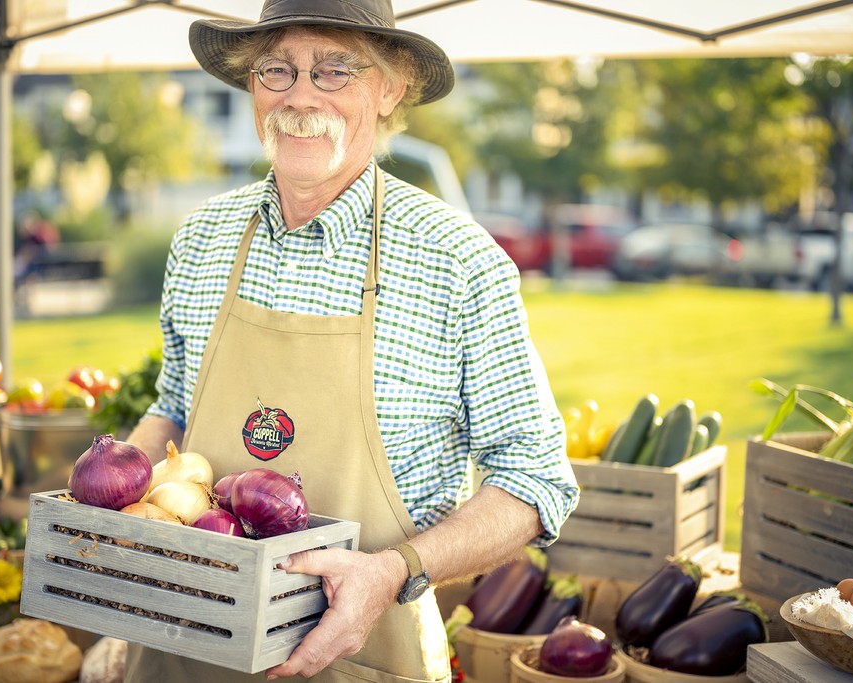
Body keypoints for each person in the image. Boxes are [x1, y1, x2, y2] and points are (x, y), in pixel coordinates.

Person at [124, 1, 580, 681]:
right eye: (277, 69)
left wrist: (394, 568)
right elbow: (175, 409)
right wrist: (113, 496)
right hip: (184, 640)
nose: (300, 95)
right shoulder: (201, 239)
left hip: (368, 655)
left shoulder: (458, 263)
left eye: (335, 69)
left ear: (391, 86)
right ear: (252, 85)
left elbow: (535, 477)